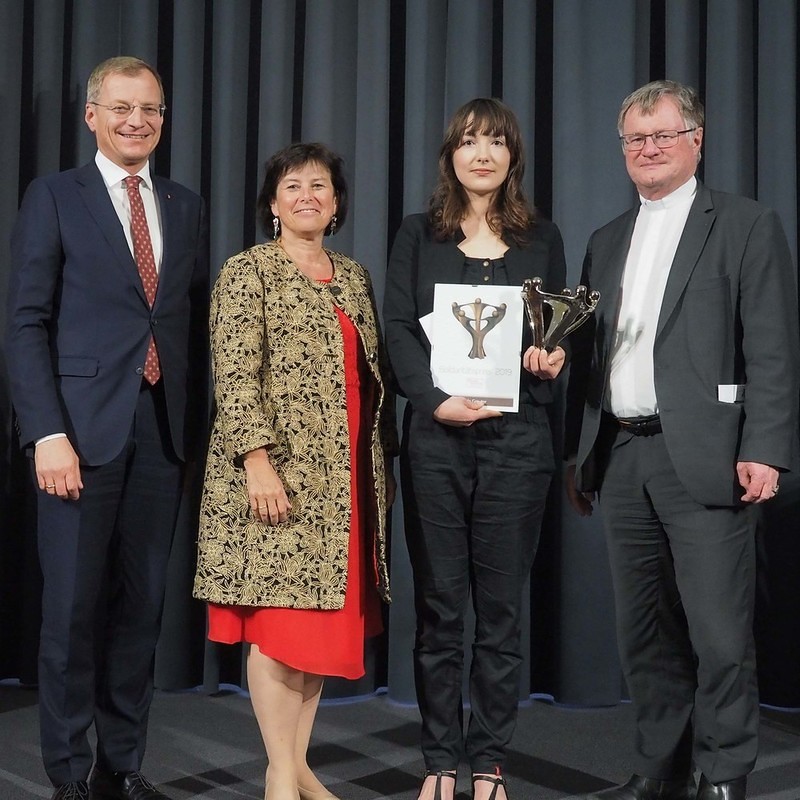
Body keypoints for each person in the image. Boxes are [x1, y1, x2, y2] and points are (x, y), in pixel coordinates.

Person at [564, 80, 800, 800]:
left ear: (696, 140)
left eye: (663, 135)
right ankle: (662, 764)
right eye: (635, 139)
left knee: (721, 635)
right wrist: (580, 453)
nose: (648, 150)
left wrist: (766, 445)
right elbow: (590, 356)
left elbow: (771, 347)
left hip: (707, 456)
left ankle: (723, 769)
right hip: (623, 455)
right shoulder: (605, 241)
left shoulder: (745, 224)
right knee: (644, 633)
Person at [5, 57, 209, 800]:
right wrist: (44, 433)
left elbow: (186, 325)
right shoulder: (54, 196)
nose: (137, 121)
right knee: (70, 616)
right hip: (77, 440)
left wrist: (199, 435)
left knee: (139, 614)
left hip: (161, 437)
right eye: (121, 107)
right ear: (91, 114)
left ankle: (120, 768)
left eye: (151, 108)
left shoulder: (184, 205)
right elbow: (26, 322)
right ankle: (67, 777)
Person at [193, 142, 395, 800]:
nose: (307, 194)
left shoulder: (355, 278)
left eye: (320, 185)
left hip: (343, 491)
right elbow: (235, 377)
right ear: (273, 204)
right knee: (279, 637)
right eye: (292, 185)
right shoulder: (247, 271)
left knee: (315, 640)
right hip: (275, 484)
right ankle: (281, 778)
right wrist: (256, 462)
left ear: (336, 204)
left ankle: (298, 768)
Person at [383, 98, 568, 800]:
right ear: (451, 155)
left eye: (495, 141)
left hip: (518, 444)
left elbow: (552, 334)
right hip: (435, 439)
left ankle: (488, 762)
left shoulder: (540, 238)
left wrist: (551, 356)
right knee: (440, 609)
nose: (482, 153)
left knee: (500, 612)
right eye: (468, 141)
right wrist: (432, 402)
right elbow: (398, 328)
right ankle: (438, 760)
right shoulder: (416, 234)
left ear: (512, 155)